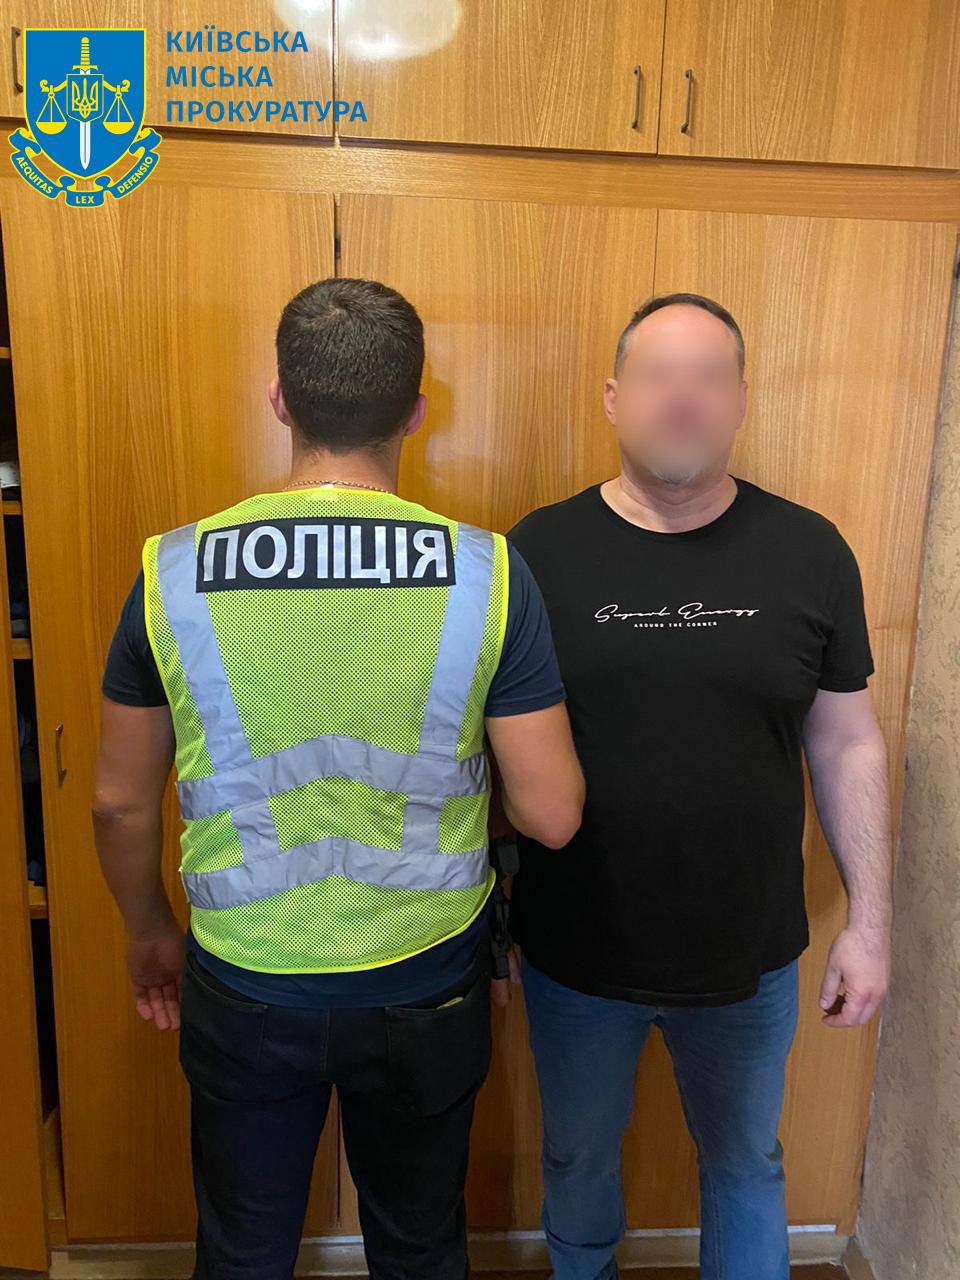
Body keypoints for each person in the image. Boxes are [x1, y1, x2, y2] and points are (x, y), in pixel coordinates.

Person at [92, 276, 585, 1280]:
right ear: (415, 410)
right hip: (425, 981)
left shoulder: (173, 574)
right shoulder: (488, 575)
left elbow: (117, 799)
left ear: (281, 399)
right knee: (418, 1247)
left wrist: (149, 932)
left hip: (244, 979)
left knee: (242, 1250)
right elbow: (552, 814)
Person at [502, 292, 893, 1280]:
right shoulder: (534, 553)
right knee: (575, 1158)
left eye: (710, 376)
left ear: (741, 399)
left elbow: (848, 742)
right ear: (613, 397)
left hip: (746, 958)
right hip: (574, 954)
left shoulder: (811, 551)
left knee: (748, 1163)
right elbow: (486, 751)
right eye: (659, 376)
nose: (684, 399)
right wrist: (489, 920)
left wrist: (871, 923)